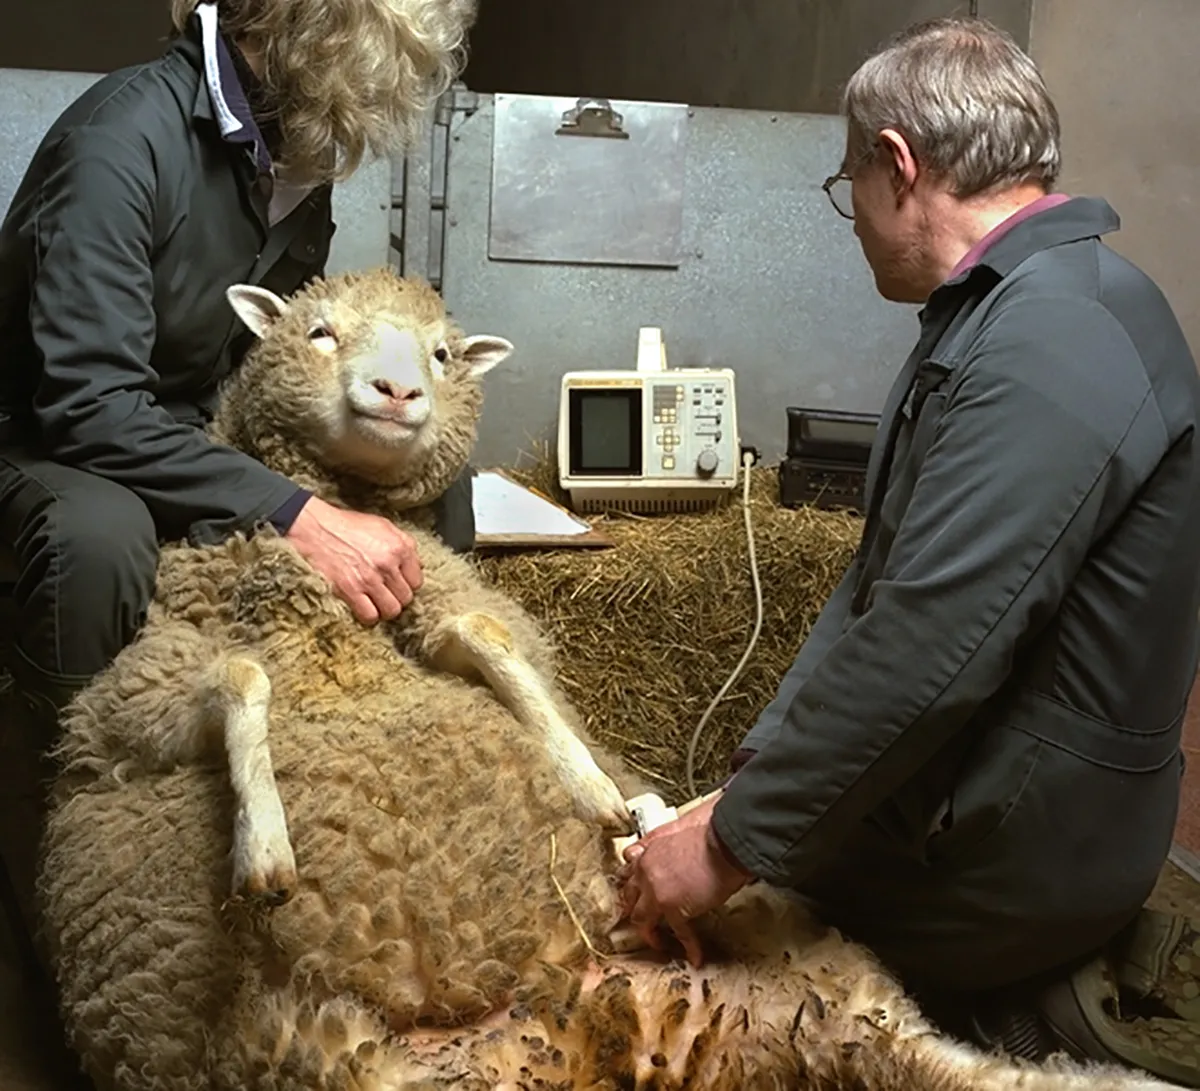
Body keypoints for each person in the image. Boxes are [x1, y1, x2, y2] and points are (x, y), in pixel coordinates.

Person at [617, 15, 1200, 1083]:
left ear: (897, 165)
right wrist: (753, 785)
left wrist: (731, 846)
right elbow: (875, 590)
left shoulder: (1056, 335)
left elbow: (935, 639)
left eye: (849, 183)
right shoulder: (997, 313)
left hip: (1023, 850)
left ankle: (1014, 1017)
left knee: (699, 981)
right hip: (996, 791)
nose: (852, 214)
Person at [0, 0, 479, 725]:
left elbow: (271, 365)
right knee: (99, 536)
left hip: (180, 425)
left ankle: (400, 715)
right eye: (379, 53)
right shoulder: (118, 143)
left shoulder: (292, 149)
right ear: (308, 26)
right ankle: (66, 766)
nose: (382, 93)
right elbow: (88, 406)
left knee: (434, 479)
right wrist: (296, 512)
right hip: (41, 434)